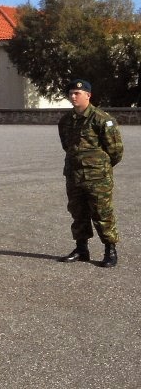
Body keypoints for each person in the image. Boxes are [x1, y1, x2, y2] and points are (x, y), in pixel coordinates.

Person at [57, 79, 124, 268]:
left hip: (98, 178)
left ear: (88, 95)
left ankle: (110, 250)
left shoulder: (102, 119)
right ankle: (81, 249)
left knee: (103, 213)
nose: (73, 96)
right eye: (70, 93)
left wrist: (99, 168)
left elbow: (116, 152)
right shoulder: (65, 121)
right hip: (74, 176)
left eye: (77, 93)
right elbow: (67, 146)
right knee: (78, 212)